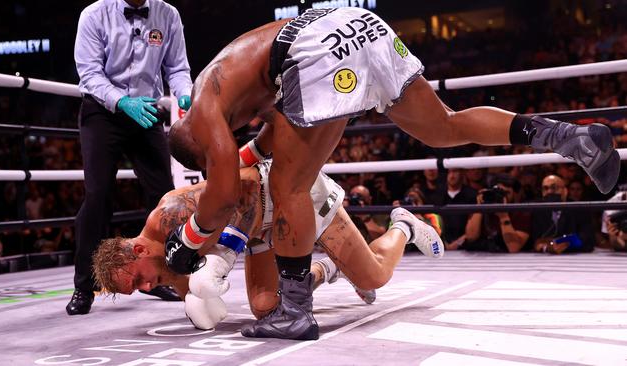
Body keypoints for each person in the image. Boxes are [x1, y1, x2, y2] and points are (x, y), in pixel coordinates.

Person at [170, 7, 619, 339]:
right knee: (444, 124)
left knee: (290, 186)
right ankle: (564, 136)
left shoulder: (203, 103)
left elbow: (225, 189)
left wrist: (188, 240)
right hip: (357, 25)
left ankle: (294, 311)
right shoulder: (239, 90)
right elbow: (265, 145)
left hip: (313, 50)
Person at [93, 135, 443, 333]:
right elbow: (201, 300)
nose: (147, 289)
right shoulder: (163, 269)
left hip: (281, 192)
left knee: (375, 275)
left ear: (138, 250)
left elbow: (244, 186)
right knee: (267, 309)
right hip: (259, 232)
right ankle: (327, 269)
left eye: (138, 281)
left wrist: (226, 253)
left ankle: (403, 226)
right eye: (137, 290)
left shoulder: (172, 214)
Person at [70, 0, 193, 315]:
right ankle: (84, 286)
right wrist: (122, 101)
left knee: (165, 195)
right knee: (98, 195)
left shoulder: (168, 14)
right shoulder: (94, 14)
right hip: (102, 110)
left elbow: (177, 68)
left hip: (148, 109)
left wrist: (186, 94)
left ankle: (163, 275)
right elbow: (89, 73)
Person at [462, 174, 531, 253]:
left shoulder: (521, 213)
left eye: (506, 193)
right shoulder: (483, 208)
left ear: (515, 195)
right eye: (498, 192)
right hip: (482, 256)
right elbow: (471, 237)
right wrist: (480, 208)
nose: (501, 196)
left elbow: (513, 247)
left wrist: (503, 216)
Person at [532, 175, 595, 253]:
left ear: (565, 191)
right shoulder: (538, 210)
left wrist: (567, 244)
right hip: (544, 259)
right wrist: (546, 247)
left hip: (575, 258)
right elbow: (535, 241)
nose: (549, 191)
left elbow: (588, 239)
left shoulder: (579, 209)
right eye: (545, 188)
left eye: (554, 187)